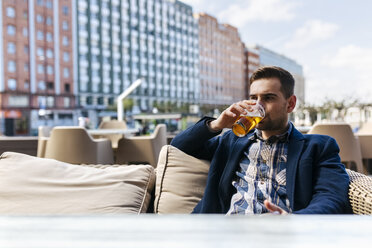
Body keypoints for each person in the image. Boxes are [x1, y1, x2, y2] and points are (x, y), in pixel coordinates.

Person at [171, 66, 351, 214]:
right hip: (224, 234)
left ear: (290, 104)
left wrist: (294, 220)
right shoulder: (231, 140)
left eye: (268, 98)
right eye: (253, 98)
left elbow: (332, 197)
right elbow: (180, 145)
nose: (258, 105)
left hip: (280, 236)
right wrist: (217, 124)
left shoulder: (319, 146)